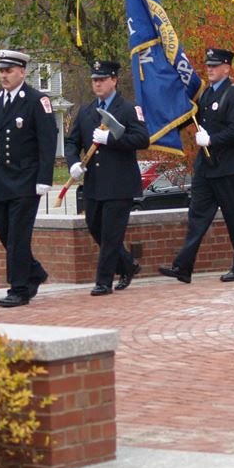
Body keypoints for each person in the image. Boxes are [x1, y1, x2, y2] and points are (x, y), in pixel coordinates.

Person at [0, 49, 58, 308]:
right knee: (6, 233)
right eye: (1, 71)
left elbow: (47, 142)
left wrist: (44, 177)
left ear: (22, 71)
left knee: (18, 237)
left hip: (25, 181)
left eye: (9, 71)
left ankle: (18, 288)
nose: (4, 76)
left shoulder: (37, 101)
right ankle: (35, 272)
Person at [158, 47, 234, 284]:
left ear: (227, 68)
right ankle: (183, 267)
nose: (209, 69)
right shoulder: (206, 94)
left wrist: (211, 139)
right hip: (207, 166)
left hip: (230, 166)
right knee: (197, 217)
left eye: (214, 65)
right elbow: (189, 115)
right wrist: (163, 129)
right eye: (208, 65)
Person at [65, 60, 149, 296]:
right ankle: (128, 264)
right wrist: (73, 163)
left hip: (119, 184)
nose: (97, 83)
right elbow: (72, 142)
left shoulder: (129, 109)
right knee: (95, 228)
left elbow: (143, 140)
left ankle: (103, 281)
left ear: (114, 80)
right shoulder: (86, 111)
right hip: (94, 184)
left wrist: (111, 140)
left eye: (102, 79)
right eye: (94, 80)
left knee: (111, 234)